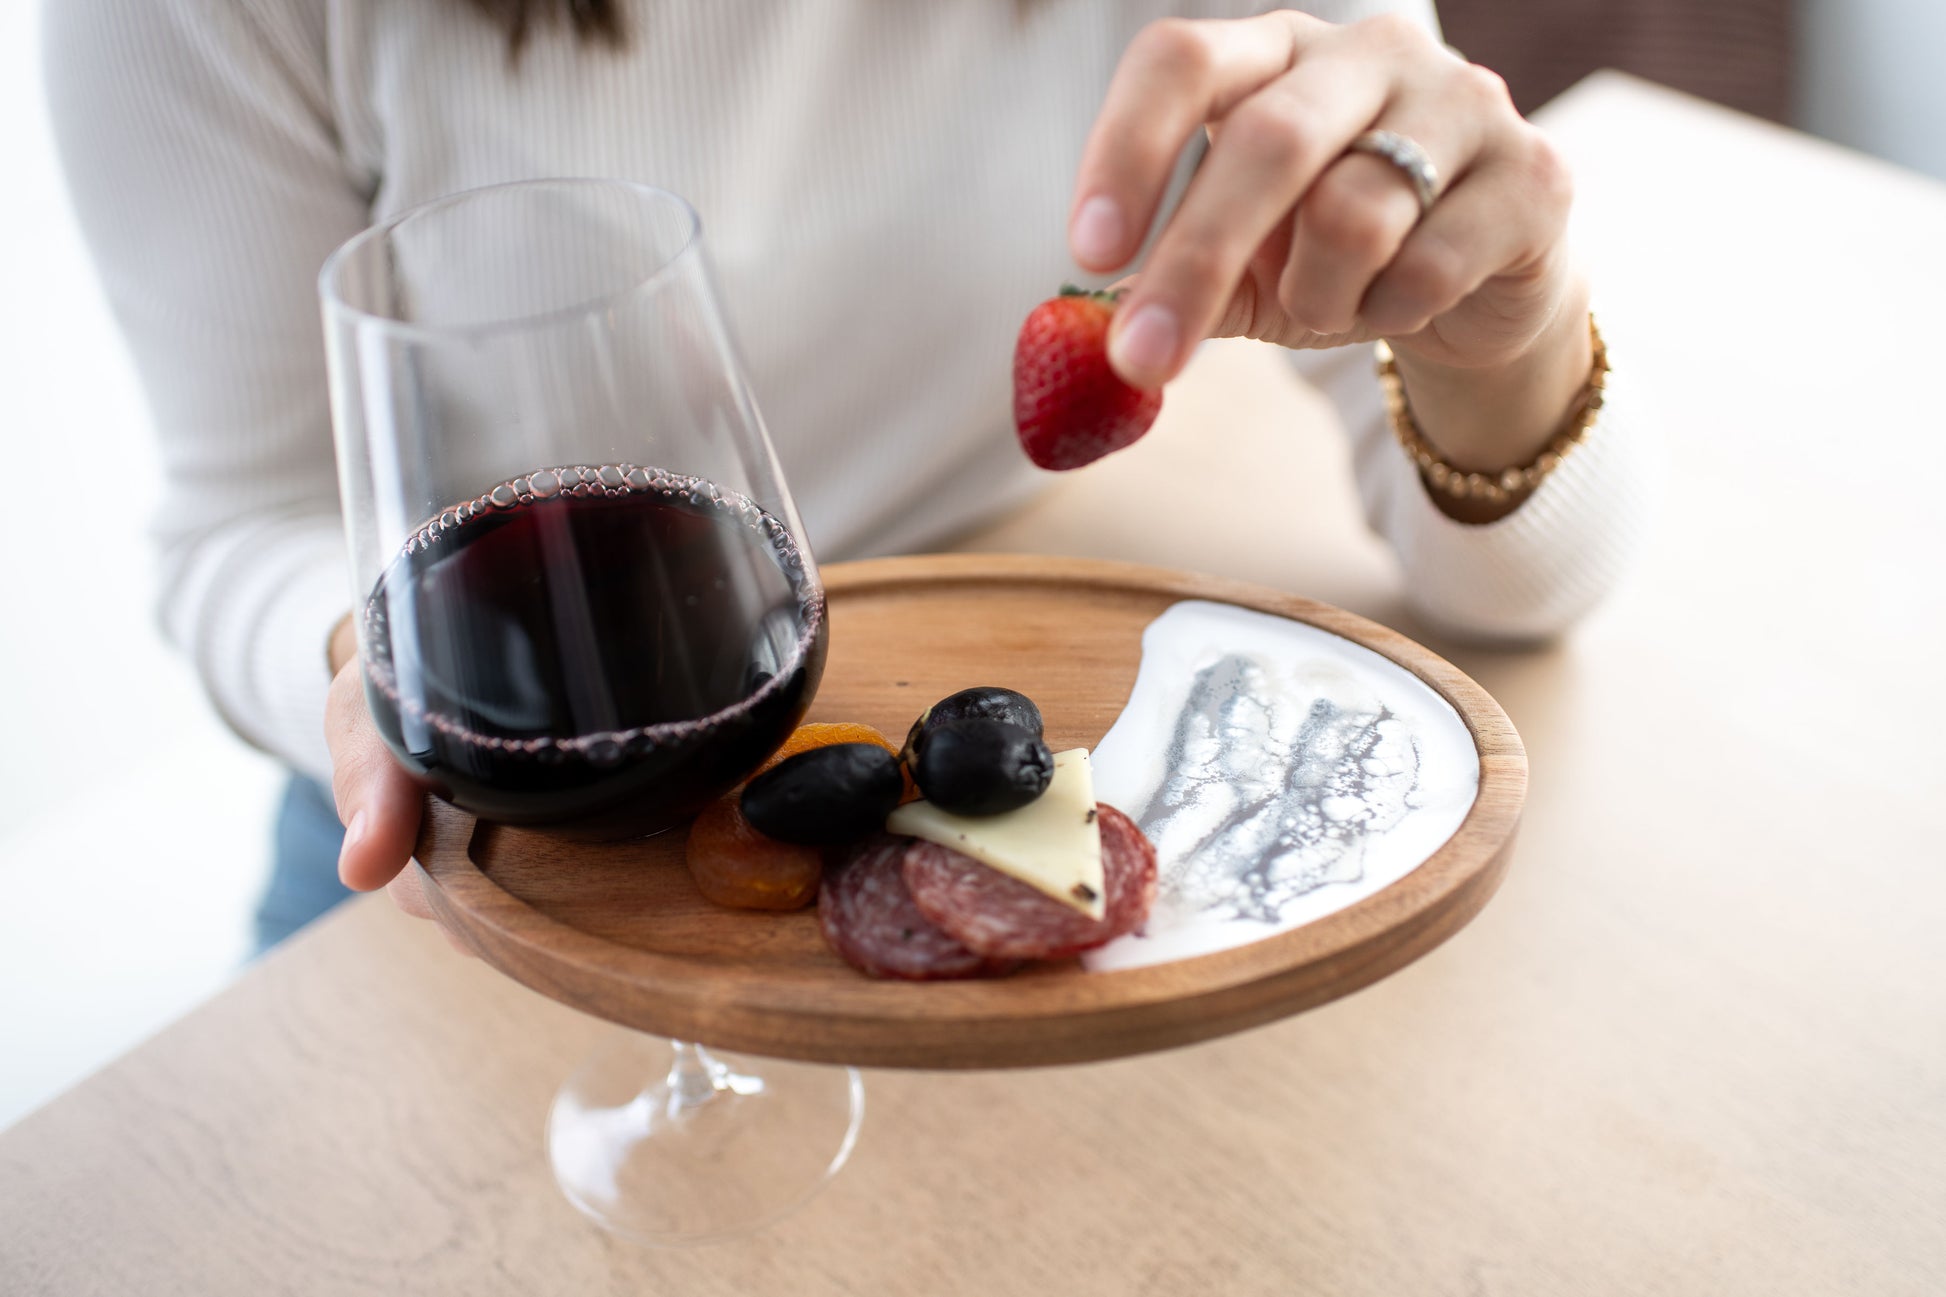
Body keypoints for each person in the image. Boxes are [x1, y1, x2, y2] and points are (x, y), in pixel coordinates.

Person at [45, 0, 1649, 952]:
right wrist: (357, 672)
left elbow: (1523, 594)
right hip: (468, 847)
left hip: (928, 683)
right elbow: (245, 524)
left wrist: (1501, 334)